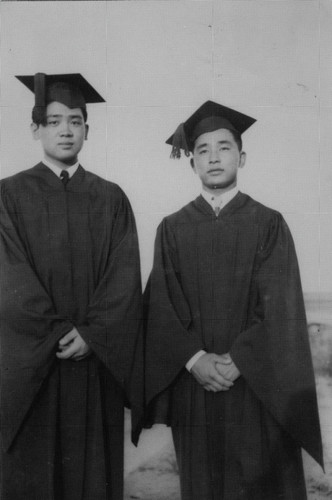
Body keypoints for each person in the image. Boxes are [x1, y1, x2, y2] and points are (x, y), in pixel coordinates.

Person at [144, 101, 323, 500]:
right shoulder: (172, 229)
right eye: (202, 149)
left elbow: (281, 308)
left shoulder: (268, 223)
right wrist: (194, 359)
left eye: (223, 147)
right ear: (191, 162)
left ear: (241, 156)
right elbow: (161, 306)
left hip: (257, 387)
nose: (213, 157)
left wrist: (240, 360)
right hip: (197, 387)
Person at [0, 73, 143, 500]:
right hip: (31, 370)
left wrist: (93, 334)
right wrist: (60, 332)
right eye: (55, 120)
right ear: (35, 128)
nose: (65, 129)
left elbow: (124, 279)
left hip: (92, 365)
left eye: (75, 121)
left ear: (87, 130)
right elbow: (8, 275)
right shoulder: (7, 196)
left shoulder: (111, 198)